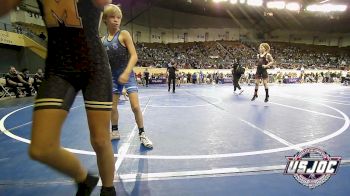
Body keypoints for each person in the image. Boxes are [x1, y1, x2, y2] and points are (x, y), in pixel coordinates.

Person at [1, 1, 117, 195]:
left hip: (94, 66)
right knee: (41, 148)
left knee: (100, 140)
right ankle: (84, 180)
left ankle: (108, 190)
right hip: (58, 68)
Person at [102, 4, 153, 148]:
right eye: (112, 17)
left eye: (118, 17)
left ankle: (142, 134)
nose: (116, 20)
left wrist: (125, 73)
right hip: (113, 77)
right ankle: (115, 131)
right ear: (105, 19)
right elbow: (104, 62)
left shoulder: (124, 34)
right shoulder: (103, 40)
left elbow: (134, 55)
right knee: (112, 107)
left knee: (136, 107)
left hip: (128, 74)